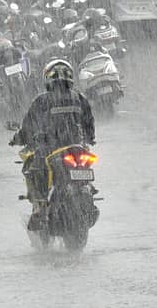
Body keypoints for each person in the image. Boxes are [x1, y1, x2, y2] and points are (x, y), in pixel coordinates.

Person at [10, 59, 95, 230]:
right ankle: (89, 191)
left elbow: (28, 126)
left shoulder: (42, 100)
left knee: (34, 169)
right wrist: (89, 138)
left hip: (51, 148)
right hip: (77, 147)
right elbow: (89, 125)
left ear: (48, 78)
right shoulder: (80, 98)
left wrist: (19, 138)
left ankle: (40, 208)